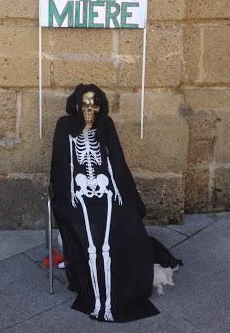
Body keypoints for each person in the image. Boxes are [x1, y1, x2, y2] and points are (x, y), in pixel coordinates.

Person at [50, 83, 182, 323]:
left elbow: (115, 164)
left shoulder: (106, 125)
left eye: (94, 104)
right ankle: (98, 294)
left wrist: (122, 194)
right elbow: (62, 166)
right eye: (85, 104)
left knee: (126, 219)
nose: (90, 109)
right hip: (77, 195)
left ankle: (119, 287)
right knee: (92, 232)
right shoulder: (65, 126)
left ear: (100, 106)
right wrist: (68, 198)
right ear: (76, 105)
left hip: (106, 189)